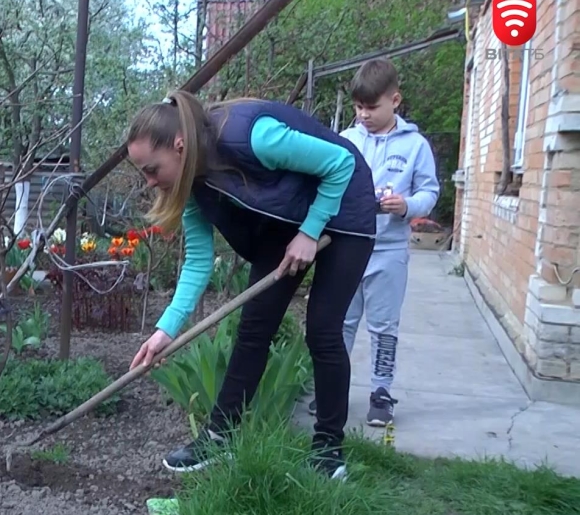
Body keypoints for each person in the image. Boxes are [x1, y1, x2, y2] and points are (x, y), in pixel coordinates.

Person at [126, 90, 377, 480]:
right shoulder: (192, 185)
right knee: (254, 327)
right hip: (290, 221)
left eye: (151, 169)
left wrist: (311, 232)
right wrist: (165, 331)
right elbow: (197, 263)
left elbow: (340, 162)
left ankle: (329, 452)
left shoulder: (251, 136)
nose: (150, 182)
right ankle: (219, 438)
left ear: (179, 146)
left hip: (345, 206)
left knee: (324, 329)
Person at [310, 58, 439, 427]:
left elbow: (429, 191)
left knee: (384, 326)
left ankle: (381, 393)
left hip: (388, 251)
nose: (363, 114)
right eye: (358, 107)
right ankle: (332, 391)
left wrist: (407, 206)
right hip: (346, 249)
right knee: (341, 323)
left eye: (372, 107)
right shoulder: (347, 141)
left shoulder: (416, 146)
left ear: (395, 100)